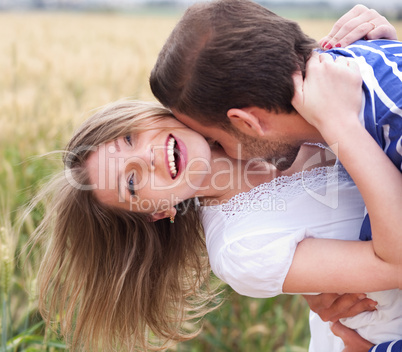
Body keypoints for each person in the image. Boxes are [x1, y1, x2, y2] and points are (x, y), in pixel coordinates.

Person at [31, 96, 401, 352]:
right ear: (157, 212)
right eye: (132, 182)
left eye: (129, 137)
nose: (148, 156)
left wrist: (382, 49)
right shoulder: (241, 249)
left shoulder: (256, 106)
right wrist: (340, 122)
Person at [149, 1, 402, 350]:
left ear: (247, 123)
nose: (220, 153)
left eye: (217, 141)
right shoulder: (350, 107)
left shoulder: (368, 122)